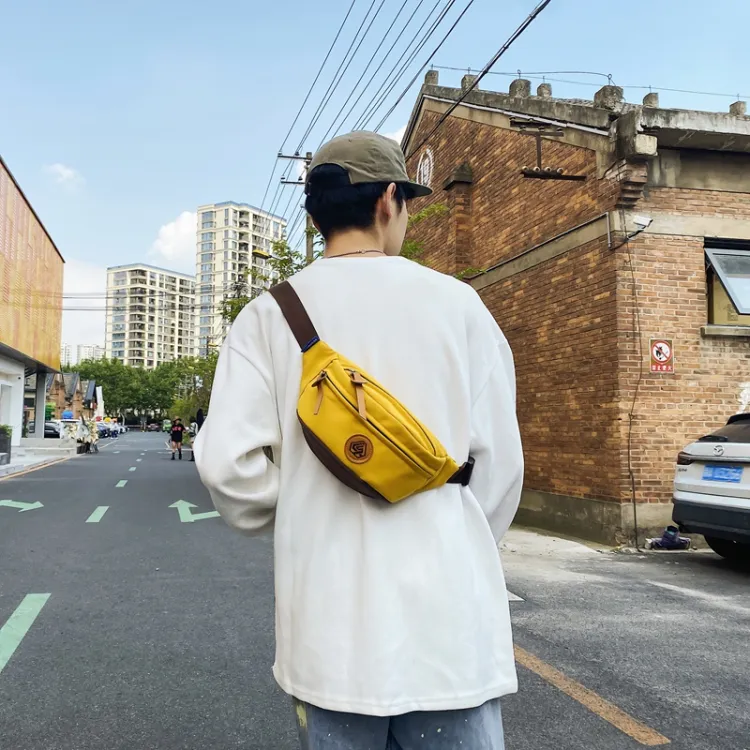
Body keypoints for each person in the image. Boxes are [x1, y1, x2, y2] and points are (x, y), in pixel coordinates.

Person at [195, 131, 523, 749]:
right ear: (389, 199)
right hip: (449, 631)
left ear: (315, 214)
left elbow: (225, 467)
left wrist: (303, 504)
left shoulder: (269, 314)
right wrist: (453, 530)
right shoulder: (460, 305)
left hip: (330, 637)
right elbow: (500, 467)